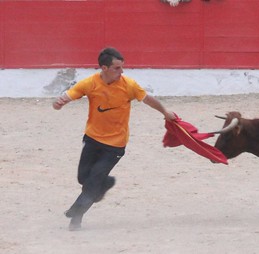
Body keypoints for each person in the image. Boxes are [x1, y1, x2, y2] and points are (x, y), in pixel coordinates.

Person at [52, 47, 177, 231]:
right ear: (104, 68)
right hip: (93, 138)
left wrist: (165, 111)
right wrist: (59, 103)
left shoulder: (129, 85)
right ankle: (106, 184)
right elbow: (70, 95)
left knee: (93, 180)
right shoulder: (90, 83)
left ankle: (76, 216)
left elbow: (148, 99)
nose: (121, 72)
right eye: (116, 68)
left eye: (122, 67)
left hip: (115, 145)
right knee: (83, 178)